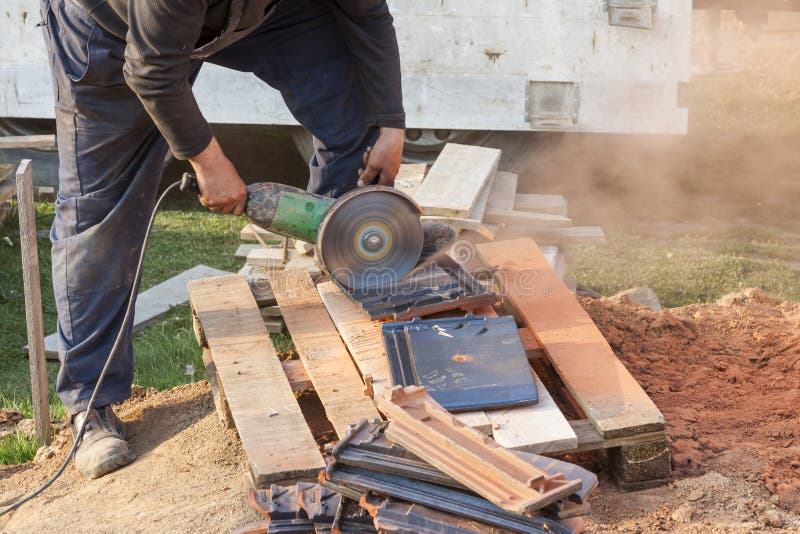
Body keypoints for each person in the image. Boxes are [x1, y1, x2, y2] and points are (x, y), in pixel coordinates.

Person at [40, 0, 405, 478]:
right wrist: (210, 163)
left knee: (359, 117)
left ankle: (347, 314)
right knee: (101, 209)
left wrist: (390, 121)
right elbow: (152, 71)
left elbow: (367, 14)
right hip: (111, 28)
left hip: (253, 12)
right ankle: (91, 404)